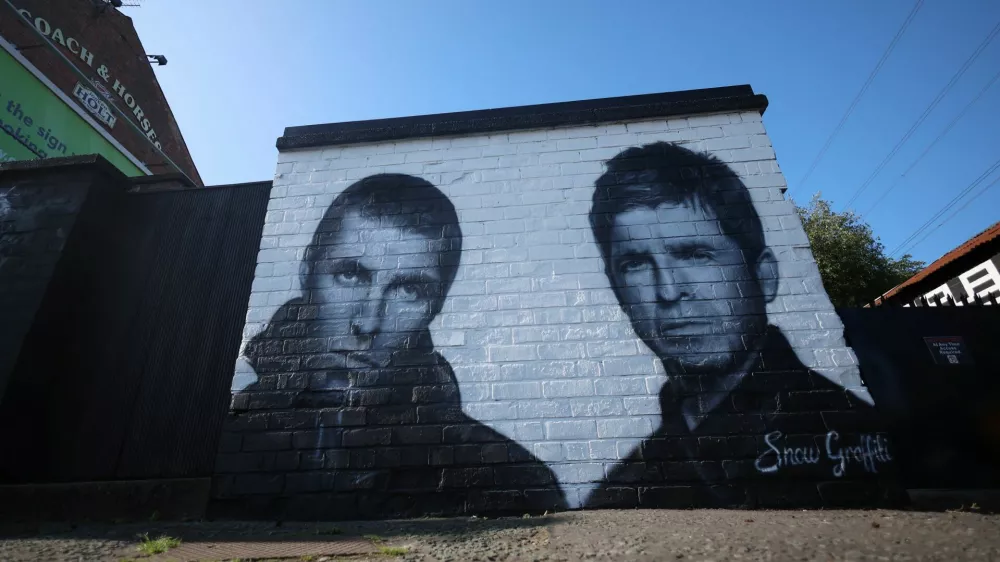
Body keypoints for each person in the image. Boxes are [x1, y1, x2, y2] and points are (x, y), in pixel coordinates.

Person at [228, 173, 566, 518]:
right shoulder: (224, 444)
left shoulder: (511, 482)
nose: (368, 323)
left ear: (437, 306)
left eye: (408, 291)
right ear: (306, 273)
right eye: (350, 275)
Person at [586, 142, 894, 508]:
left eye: (696, 255)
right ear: (618, 293)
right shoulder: (623, 486)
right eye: (635, 264)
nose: (668, 290)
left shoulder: (856, 441)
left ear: (763, 275)